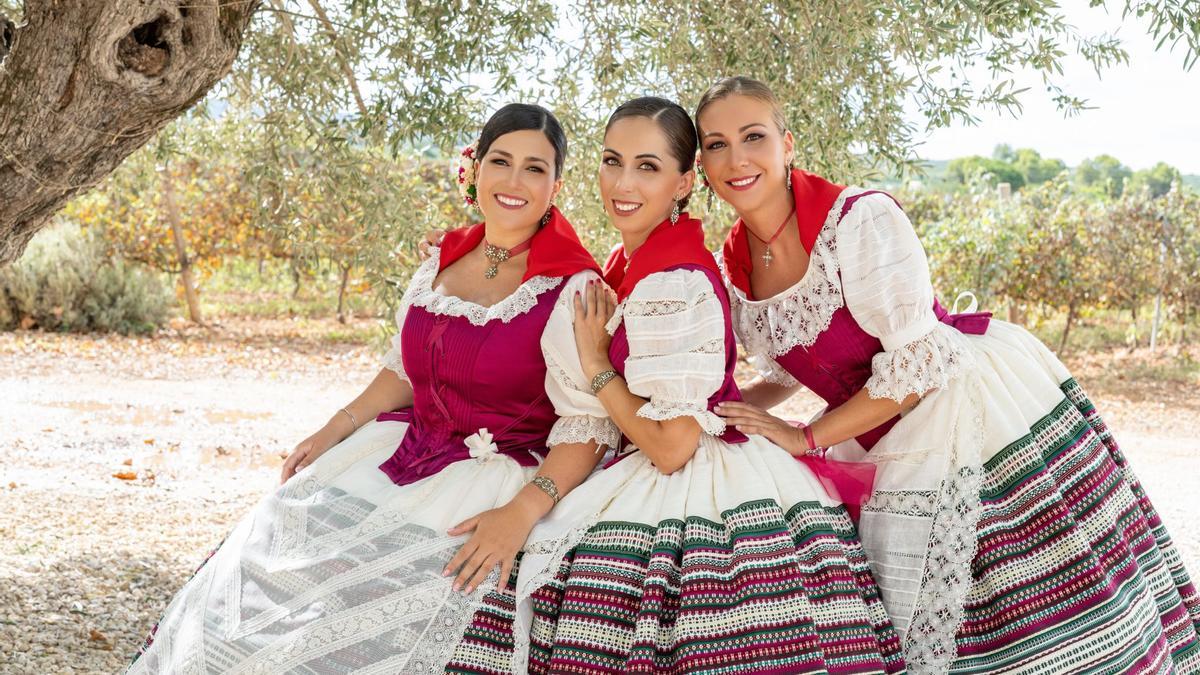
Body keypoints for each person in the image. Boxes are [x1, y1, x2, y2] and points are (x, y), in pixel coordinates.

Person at [699, 75, 1200, 673]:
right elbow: (794, 360)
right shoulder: (730, 264)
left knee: (1016, 594)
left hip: (961, 399)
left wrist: (804, 437)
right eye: (715, 144)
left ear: (788, 144)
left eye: (753, 136)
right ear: (701, 164)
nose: (736, 158)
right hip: (873, 419)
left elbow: (914, 369)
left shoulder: (859, 221)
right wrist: (738, 410)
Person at [127, 103, 619, 673]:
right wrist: (334, 427)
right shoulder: (441, 259)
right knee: (269, 559)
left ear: (556, 184)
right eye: (500, 161)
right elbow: (406, 373)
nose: (514, 181)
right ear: (475, 168)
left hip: (492, 479)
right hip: (402, 451)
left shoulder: (572, 285)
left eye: (535, 168)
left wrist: (520, 512)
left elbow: (588, 424)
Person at [507, 97, 905, 674]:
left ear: (684, 182)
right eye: (612, 161)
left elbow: (671, 448)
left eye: (648, 167)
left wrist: (599, 368)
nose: (622, 182)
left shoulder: (673, 278)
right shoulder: (637, 258)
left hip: (691, 480)